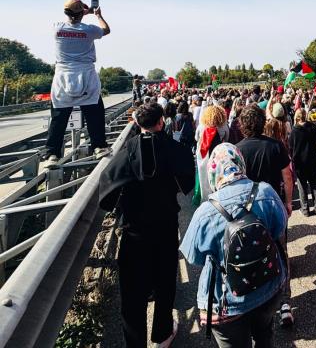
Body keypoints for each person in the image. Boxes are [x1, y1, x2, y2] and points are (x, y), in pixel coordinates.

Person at [99, 103, 195, 347]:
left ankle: (135, 343)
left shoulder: (127, 151)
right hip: (165, 226)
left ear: (136, 123)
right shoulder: (174, 148)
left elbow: (107, 192)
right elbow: (187, 182)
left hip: (135, 231)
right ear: (161, 122)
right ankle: (163, 333)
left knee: (133, 292)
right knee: (165, 282)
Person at [180, 144, 287, 347]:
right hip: (268, 285)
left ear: (212, 172)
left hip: (227, 301)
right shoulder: (265, 191)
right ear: (240, 163)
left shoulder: (205, 212)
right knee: (265, 334)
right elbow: (279, 228)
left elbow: (194, 257)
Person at [236, 105, 295, 327]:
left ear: (242, 125)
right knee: (280, 251)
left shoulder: (237, 150)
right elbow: (287, 176)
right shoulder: (275, 145)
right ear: (262, 123)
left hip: (248, 212)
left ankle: (259, 304)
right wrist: (288, 202)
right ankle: (285, 304)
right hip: (273, 205)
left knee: (253, 255)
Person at [45, 0, 111, 164]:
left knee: (58, 117)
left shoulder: (57, 28)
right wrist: (97, 15)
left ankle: (52, 154)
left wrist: (81, 13)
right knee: (94, 113)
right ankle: (99, 147)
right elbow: (106, 30)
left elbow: (72, 21)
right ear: (82, 12)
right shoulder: (89, 30)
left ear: (65, 12)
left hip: (63, 76)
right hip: (85, 75)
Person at [289, 108, 316, 216]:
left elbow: (290, 147)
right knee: (314, 184)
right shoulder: (312, 127)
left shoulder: (294, 131)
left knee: (302, 186)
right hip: (312, 159)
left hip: (300, 162)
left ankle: (305, 209)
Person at [194, 105, 230, 204]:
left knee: (203, 176)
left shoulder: (202, 126)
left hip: (203, 154)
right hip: (218, 154)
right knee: (217, 175)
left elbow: (196, 138)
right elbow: (227, 138)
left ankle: (204, 199)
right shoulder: (224, 126)